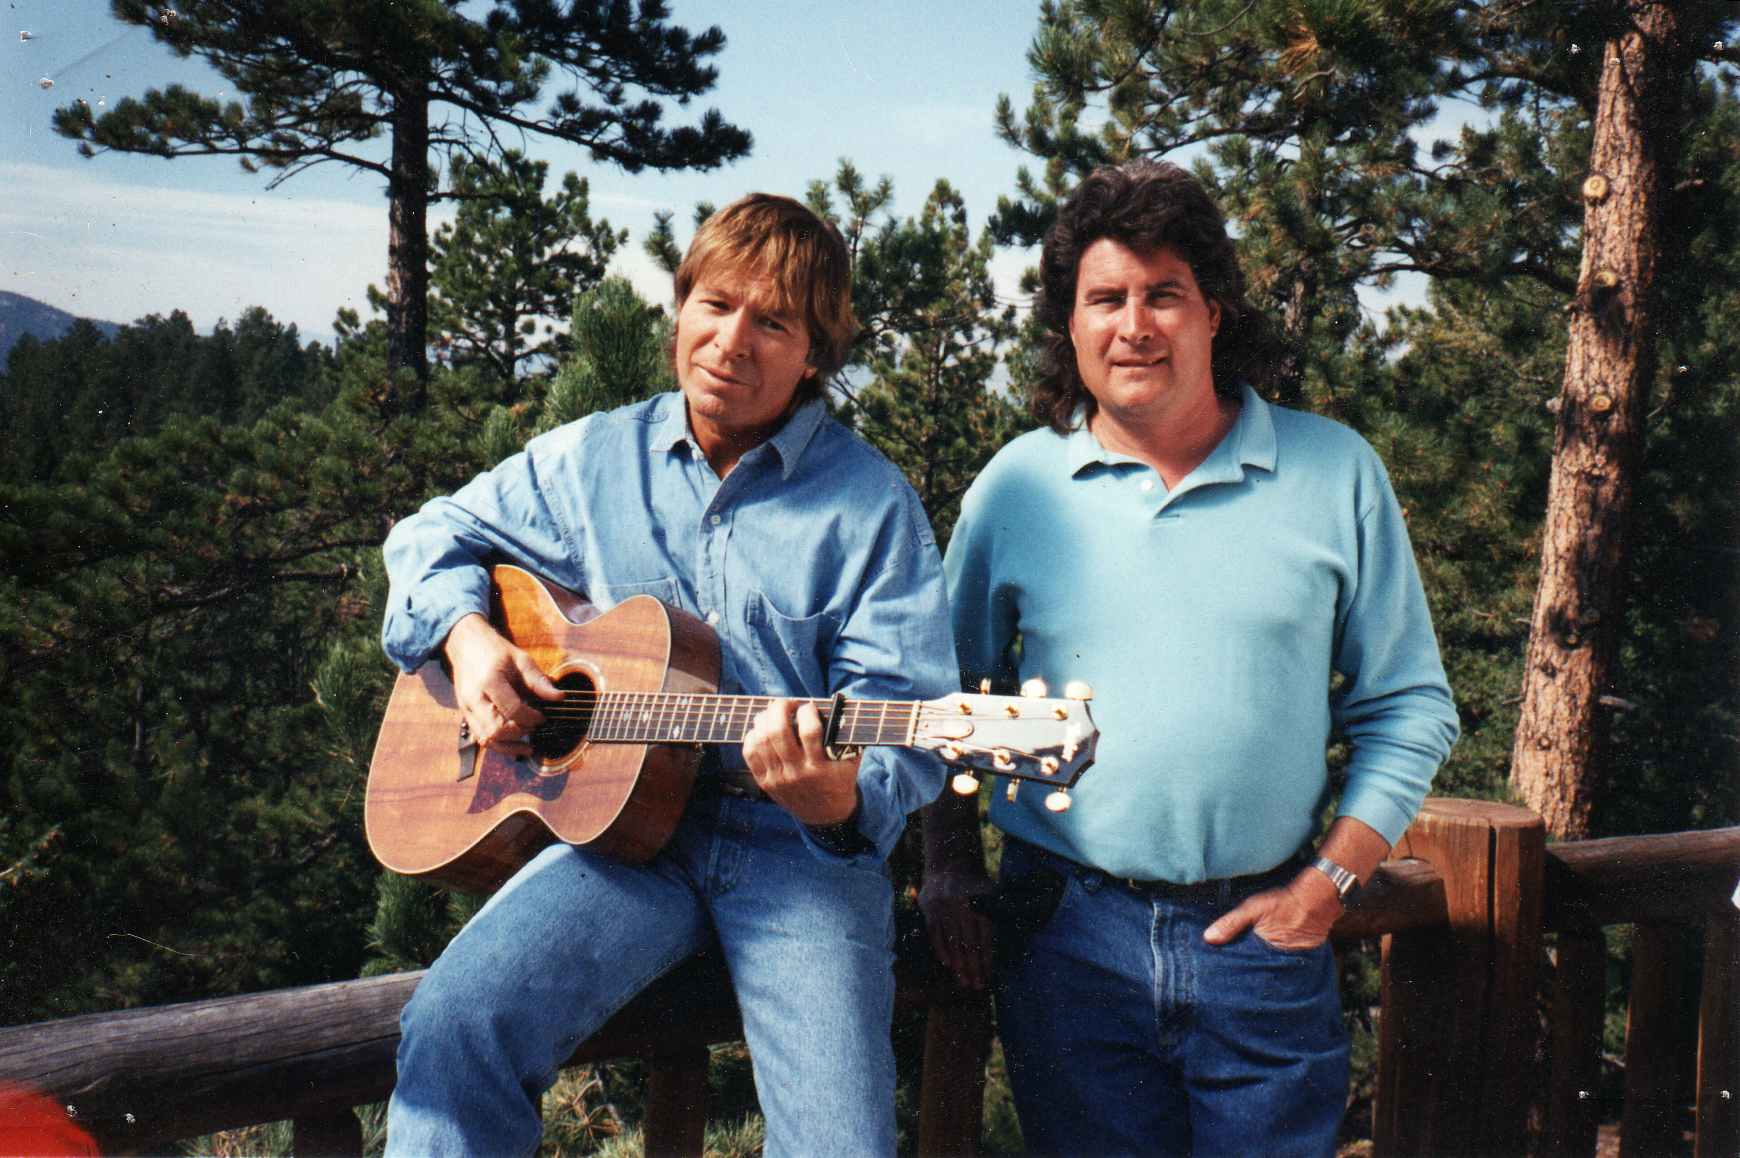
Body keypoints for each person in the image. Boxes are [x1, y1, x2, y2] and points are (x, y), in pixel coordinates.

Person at [380, 193, 956, 1157]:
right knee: (453, 1031)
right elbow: (429, 535)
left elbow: (908, 713)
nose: (733, 341)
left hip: (797, 856)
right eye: (716, 304)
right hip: (624, 838)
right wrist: (471, 641)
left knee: (842, 1147)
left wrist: (839, 800)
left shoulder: (872, 506)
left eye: (772, 322)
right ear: (680, 309)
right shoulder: (593, 457)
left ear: (813, 353)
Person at [919, 160, 1460, 1158]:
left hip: (1260, 946)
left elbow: (1411, 704)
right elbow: (942, 700)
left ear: (1215, 311)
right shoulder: (1016, 487)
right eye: (1106, 298)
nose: (1135, 325)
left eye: (1163, 294)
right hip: (1063, 938)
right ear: (1069, 326)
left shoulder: (1336, 472)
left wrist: (1330, 885)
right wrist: (948, 870)